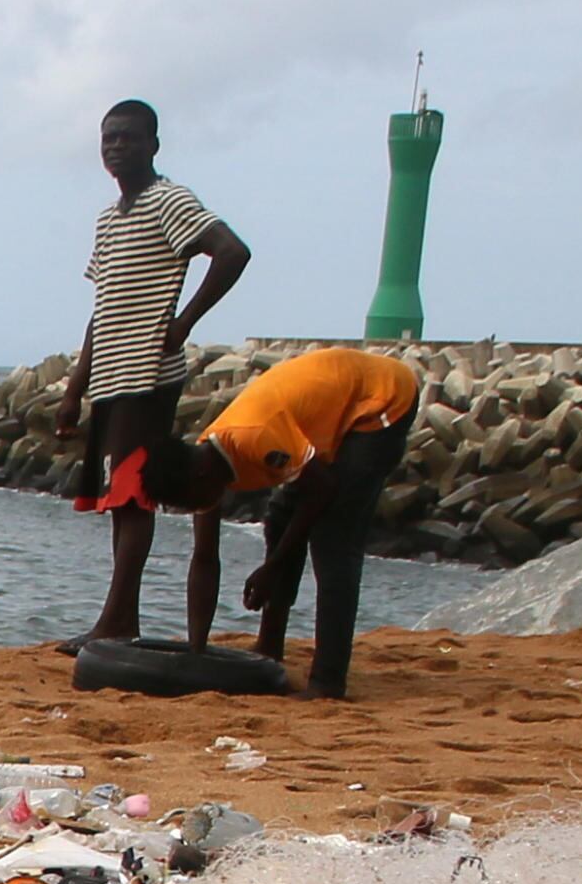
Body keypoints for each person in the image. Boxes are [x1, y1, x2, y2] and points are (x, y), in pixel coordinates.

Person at [54, 99, 249, 646]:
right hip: (113, 377)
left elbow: (231, 252)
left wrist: (183, 322)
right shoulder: (108, 218)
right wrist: (75, 388)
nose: (116, 147)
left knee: (133, 494)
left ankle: (115, 622)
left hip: (148, 375)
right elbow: (104, 304)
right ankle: (121, 619)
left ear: (153, 145)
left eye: (129, 138)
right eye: (108, 138)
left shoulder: (170, 201)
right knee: (120, 499)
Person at [145, 343, 418, 697]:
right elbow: (205, 558)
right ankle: (270, 646)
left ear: (198, 478)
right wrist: (196, 654)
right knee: (279, 518)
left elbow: (321, 488)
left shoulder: (253, 437)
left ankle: (327, 681)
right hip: (326, 410)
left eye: (191, 503)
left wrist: (272, 567)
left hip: (382, 397)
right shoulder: (204, 462)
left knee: (334, 541)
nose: (196, 509)